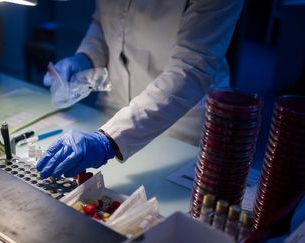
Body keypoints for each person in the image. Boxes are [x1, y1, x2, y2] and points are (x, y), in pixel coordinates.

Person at [37, 0, 244, 179]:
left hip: (180, 124)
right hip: (113, 110)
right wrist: (86, 58)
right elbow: (103, 22)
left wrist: (108, 140)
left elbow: (189, 69)